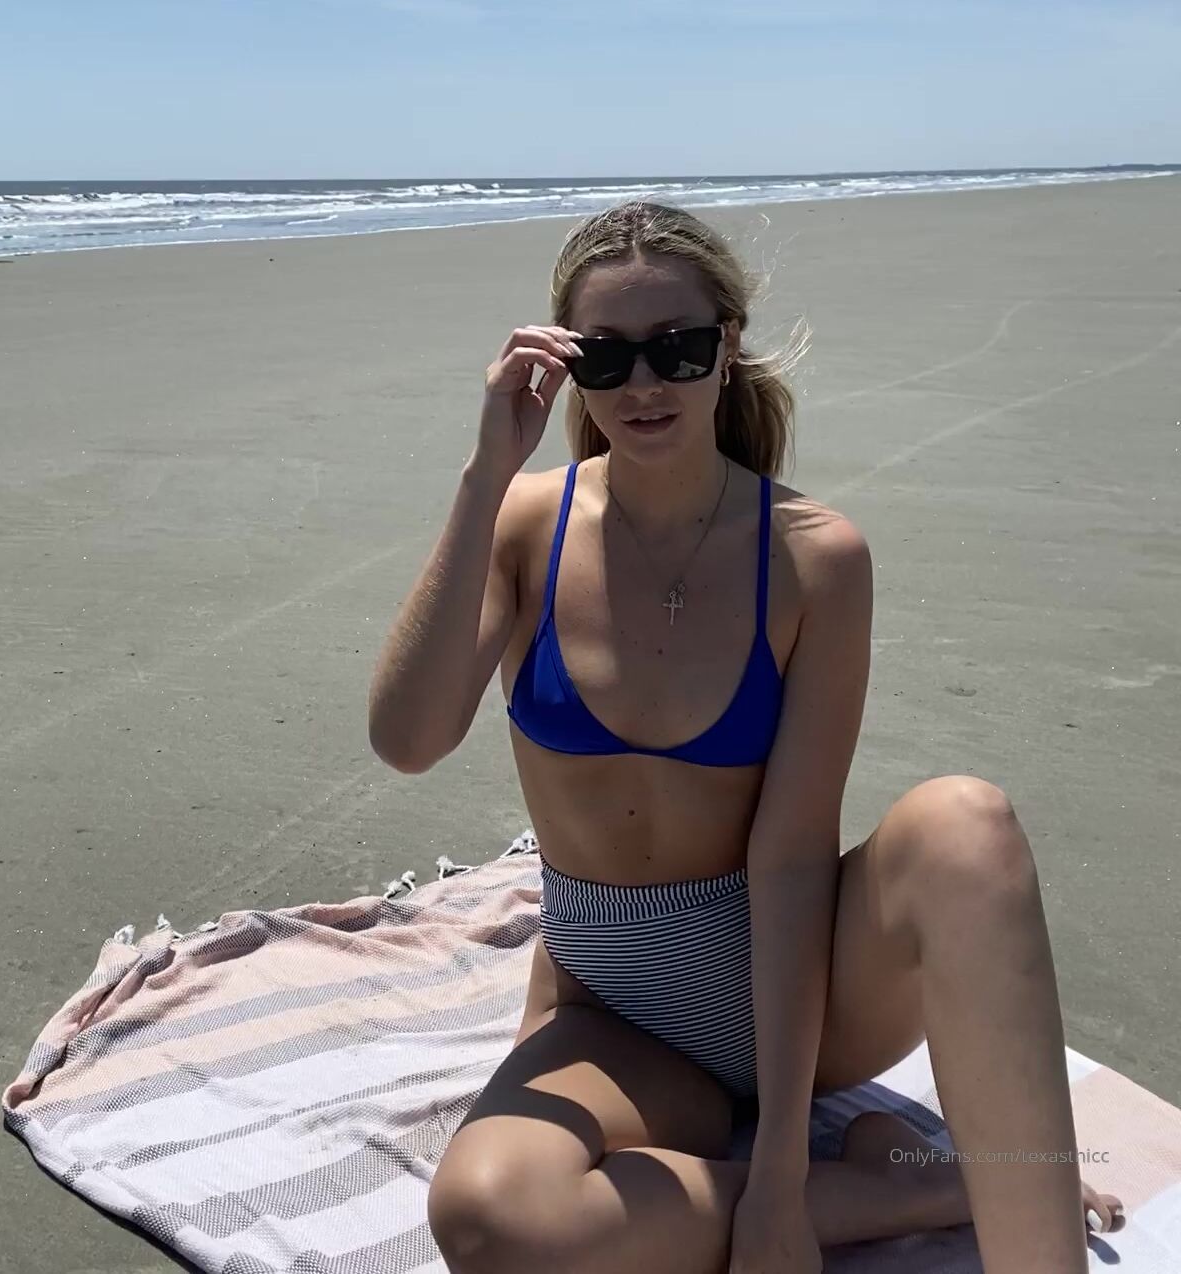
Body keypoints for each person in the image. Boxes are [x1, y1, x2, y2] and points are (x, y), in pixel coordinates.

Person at [367, 201, 1120, 1273]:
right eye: (607, 356)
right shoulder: (527, 525)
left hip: (806, 995)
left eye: (676, 348)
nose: (644, 384)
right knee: (493, 1217)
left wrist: (779, 1177)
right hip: (618, 1018)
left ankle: (1021, 1232)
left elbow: (795, 855)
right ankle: (914, 1186)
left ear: (726, 346)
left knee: (966, 825)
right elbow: (407, 738)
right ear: (564, 366)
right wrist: (485, 474)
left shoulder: (814, 557)